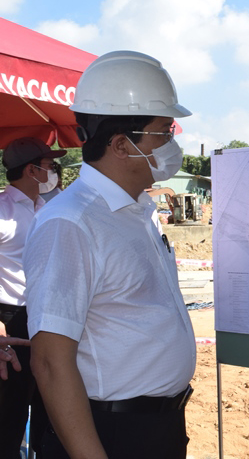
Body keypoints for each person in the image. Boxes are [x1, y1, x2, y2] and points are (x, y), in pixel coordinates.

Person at [23, 51, 196, 459]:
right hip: (109, 434)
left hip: (157, 427)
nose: (172, 143)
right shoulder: (71, 223)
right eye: (164, 131)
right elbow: (50, 363)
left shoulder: (137, 212)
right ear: (121, 144)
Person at [0, 136, 65, 458]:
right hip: (11, 321)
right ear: (32, 170)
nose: (54, 172)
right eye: (50, 166)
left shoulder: (47, 208)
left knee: (49, 403)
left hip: (45, 317)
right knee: (9, 411)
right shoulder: (3, 211)